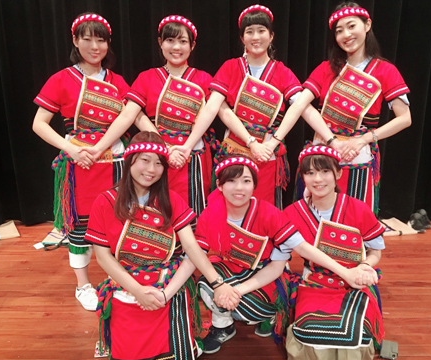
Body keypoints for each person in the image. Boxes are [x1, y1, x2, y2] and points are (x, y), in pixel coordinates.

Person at [84, 132, 233, 360]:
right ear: (130, 160)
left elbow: (191, 248)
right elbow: (104, 258)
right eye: (145, 160)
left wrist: (216, 283)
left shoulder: (171, 200)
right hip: (126, 283)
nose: (151, 170)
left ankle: (186, 339)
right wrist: (137, 291)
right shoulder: (105, 201)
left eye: (158, 163)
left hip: (167, 282)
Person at [193, 155, 377, 354]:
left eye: (246, 181)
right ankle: (223, 325)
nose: (239, 188)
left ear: (254, 185)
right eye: (231, 181)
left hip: (267, 274)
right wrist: (218, 286)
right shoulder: (210, 213)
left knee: (252, 306)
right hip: (234, 268)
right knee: (206, 282)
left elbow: (301, 248)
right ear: (219, 185)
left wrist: (351, 271)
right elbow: (195, 255)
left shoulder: (269, 213)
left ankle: (268, 315)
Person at [33, 12, 138, 311]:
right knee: (81, 228)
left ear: (108, 44)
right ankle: (83, 285)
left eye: (100, 40)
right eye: (87, 39)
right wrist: (71, 149)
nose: (94, 46)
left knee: (118, 224)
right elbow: (39, 123)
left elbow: (131, 117)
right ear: (75, 41)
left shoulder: (118, 81)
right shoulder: (61, 79)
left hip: (116, 163)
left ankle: (118, 280)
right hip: (80, 166)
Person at [279, 2, 411, 214]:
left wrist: (364, 139)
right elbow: (300, 104)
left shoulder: (386, 71)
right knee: (315, 213)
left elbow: (405, 118)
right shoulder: (326, 68)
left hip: (358, 152)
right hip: (324, 150)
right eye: (339, 31)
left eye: (351, 26)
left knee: (354, 214)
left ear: (367, 25)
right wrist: (330, 140)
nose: (346, 35)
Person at [169, 4, 304, 208]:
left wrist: (274, 142)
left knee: (264, 211)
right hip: (235, 151)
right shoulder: (231, 67)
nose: (255, 37)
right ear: (242, 38)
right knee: (230, 209)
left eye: (261, 31)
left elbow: (301, 105)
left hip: (267, 153)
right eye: (249, 32)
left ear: (271, 36)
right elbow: (214, 107)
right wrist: (188, 146)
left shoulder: (282, 72)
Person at [83, 15, 214, 216]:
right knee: (156, 210)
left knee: (192, 210)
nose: (176, 47)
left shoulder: (204, 79)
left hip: (192, 156)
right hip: (157, 155)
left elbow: (213, 113)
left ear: (192, 45)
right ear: (160, 43)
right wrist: (98, 148)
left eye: (182, 41)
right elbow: (130, 115)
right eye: (170, 40)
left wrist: (186, 148)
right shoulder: (147, 78)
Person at [283, 145, 385, 360]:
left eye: (325, 171)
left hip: (353, 282)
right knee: (314, 328)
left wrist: (365, 266)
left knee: (353, 330)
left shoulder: (358, 209)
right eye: (310, 173)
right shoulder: (292, 213)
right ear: (302, 177)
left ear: (338, 173)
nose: (318, 179)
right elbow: (281, 257)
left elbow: (376, 252)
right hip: (314, 283)